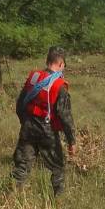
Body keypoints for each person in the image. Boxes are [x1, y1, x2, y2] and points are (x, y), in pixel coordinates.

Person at [12, 45, 77, 196]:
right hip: (47, 132)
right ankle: (58, 202)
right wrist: (71, 141)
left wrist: (25, 122)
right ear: (60, 64)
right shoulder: (60, 86)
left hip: (28, 127)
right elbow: (65, 117)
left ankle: (11, 198)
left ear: (47, 61)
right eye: (64, 66)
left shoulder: (34, 77)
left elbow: (20, 104)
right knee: (58, 168)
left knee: (21, 166)